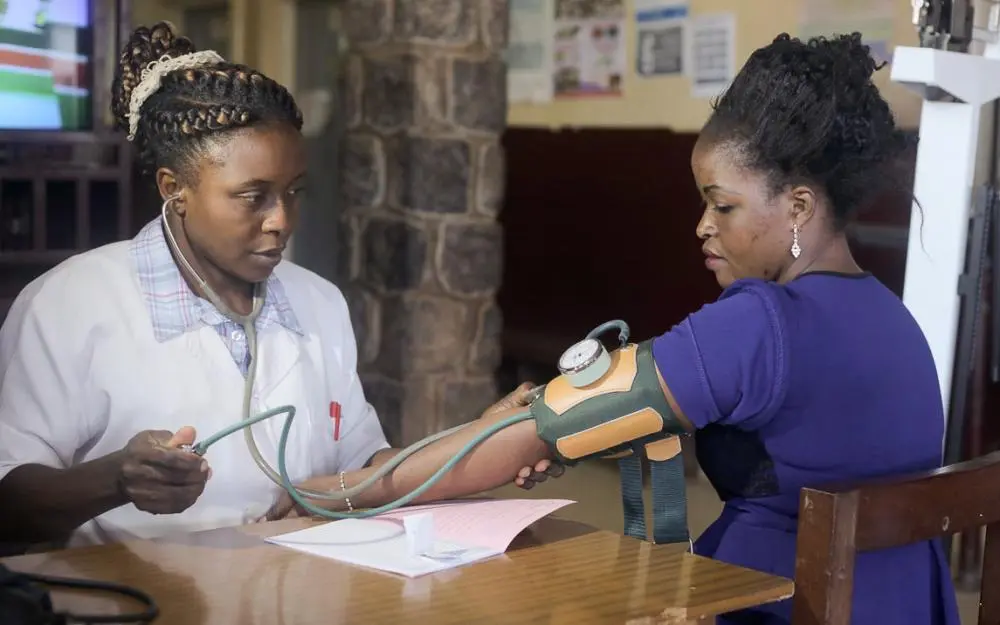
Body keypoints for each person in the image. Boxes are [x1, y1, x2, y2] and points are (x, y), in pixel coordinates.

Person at [0, 21, 551, 550]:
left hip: (299, 587)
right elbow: (9, 503)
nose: (281, 220)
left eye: (293, 192)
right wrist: (116, 479)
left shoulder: (319, 302)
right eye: (253, 196)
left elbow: (363, 470)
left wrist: (483, 440)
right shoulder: (71, 304)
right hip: (132, 594)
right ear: (174, 189)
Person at [513, 32, 960, 625]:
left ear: (798, 207)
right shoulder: (896, 320)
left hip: (776, 603)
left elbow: (541, 428)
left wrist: (379, 483)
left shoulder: (762, 321)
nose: (702, 226)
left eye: (722, 206)